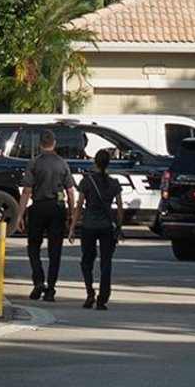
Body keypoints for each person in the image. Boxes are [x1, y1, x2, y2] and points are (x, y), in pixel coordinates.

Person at [15, 129, 76, 301]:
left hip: (39, 207)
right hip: (57, 209)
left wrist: (20, 214)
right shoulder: (62, 164)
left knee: (33, 246)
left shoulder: (34, 163)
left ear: (40, 144)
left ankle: (38, 280)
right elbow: (70, 191)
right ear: (54, 143)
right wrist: (71, 214)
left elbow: (27, 190)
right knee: (54, 250)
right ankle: (51, 288)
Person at [68, 149, 123, 311]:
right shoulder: (114, 183)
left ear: (95, 162)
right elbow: (120, 208)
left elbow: (79, 206)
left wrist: (72, 227)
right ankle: (102, 298)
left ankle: (90, 292)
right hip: (107, 226)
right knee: (106, 263)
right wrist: (119, 226)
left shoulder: (87, 182)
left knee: (87, 260)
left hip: (89, 225)